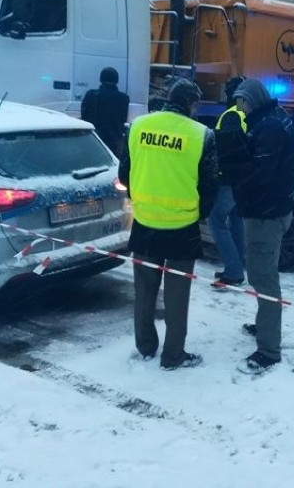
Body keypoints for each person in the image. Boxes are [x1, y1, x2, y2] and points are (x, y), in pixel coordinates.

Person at [118, 78, 219, 370]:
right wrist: (199, 214)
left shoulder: (138, 126)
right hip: (182, 228)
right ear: (192, 104)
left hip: (145, 223)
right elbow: (211, 185)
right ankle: (173, 355)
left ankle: (145, 346)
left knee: (145, 291)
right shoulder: (202, 135)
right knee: (177, 296)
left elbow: (124, 173)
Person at [225, 78, 294, 374]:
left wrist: (233, 155)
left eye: (243, 101)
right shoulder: (271, 120)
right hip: (271, 209)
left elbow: (259, 173)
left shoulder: (268, 128)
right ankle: (265, 324)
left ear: (252, 100)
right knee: (262, 273)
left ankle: (269, 350)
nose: (240, 107)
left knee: (263, 277)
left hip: (266, 214)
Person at [209, 76, 248, 289]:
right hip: (242, 179)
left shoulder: (231, 115)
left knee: (216, 220)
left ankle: (233, 271)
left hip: (228, 179)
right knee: (235, 222)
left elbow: (225, 150)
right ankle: (237, 266)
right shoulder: (245, 113)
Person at [81, 67, 130, 158]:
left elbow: (84, 117)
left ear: (101, 79)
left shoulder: (91, 95)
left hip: (95, 140)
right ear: (116, 80)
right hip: (115, 141)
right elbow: (123, 119)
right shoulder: (124, 98)